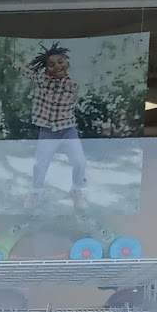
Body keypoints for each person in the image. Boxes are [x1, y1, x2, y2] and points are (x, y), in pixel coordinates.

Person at [26, 43, 88, 214]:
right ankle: (35, 192)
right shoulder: (42, 81)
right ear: (46, 69)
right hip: (47, 130)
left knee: (79, 161)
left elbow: (76, 100)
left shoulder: (74, 84)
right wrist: (10, 62)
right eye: (51, 64)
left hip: (68, 129)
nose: (57, 66)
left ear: (67, 63)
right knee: (40, 164)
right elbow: (25, 71)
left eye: (61, 62)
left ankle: (77, 190)